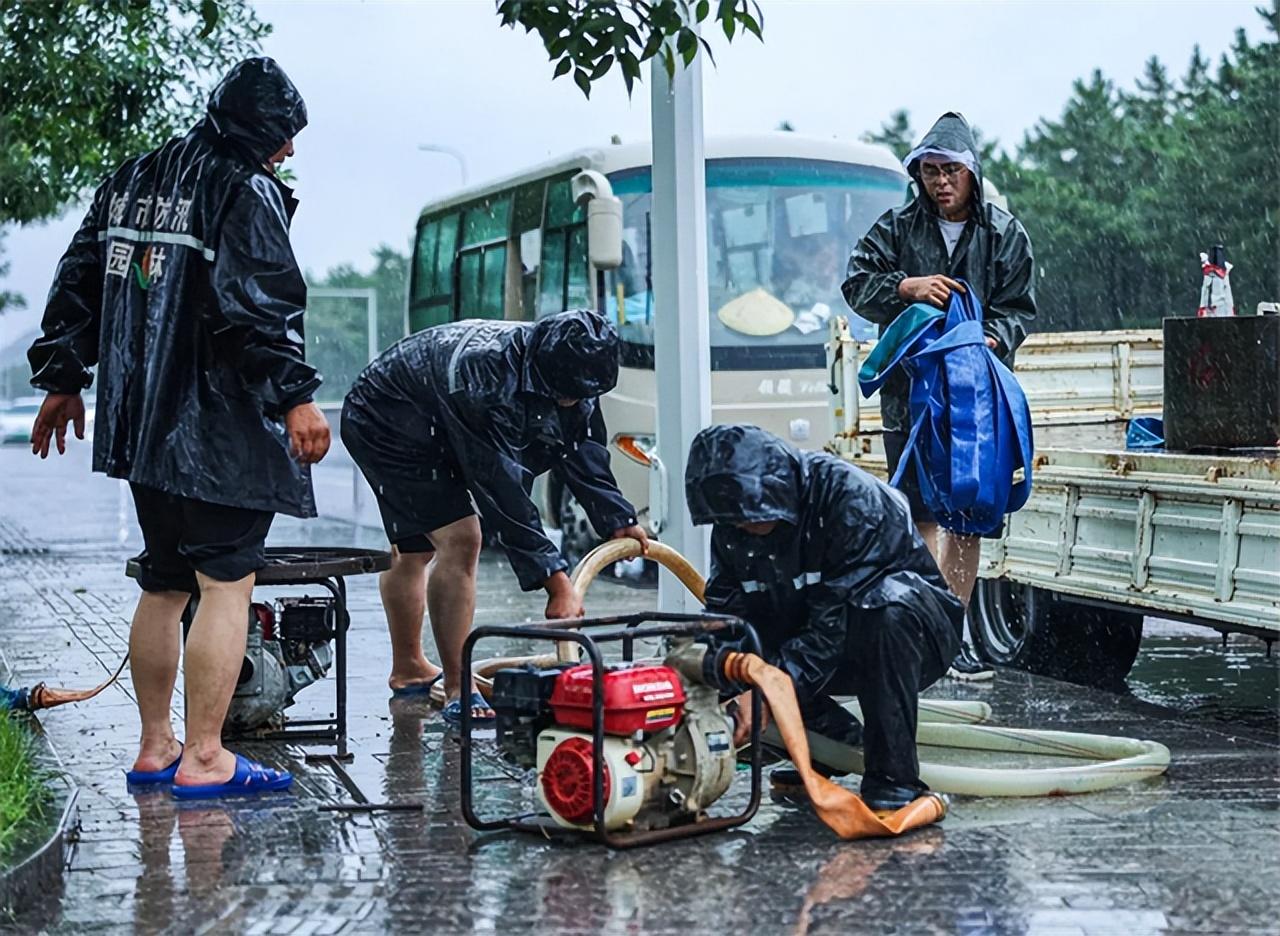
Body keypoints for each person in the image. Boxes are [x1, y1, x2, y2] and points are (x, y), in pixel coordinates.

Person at [26, 58, 330, 798]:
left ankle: (155, 746)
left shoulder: (133, 176)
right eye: (283, 135)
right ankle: (205, 758)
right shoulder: (242, 187)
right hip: (220, 429)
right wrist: (294, 395)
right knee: (225, 583)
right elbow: (257, 307)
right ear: (256, 127)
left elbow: (78, 277)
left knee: (163, 584)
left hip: (144, 427)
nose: (288, 151)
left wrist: (64, 378)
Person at [340, 310, 647, 724]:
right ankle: (457, 687)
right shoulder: (484, 375)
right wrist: (556, 583)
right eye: (569, 394)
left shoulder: (576, 368)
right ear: (544, 368)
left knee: (413, 550)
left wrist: (617, 518)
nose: (575, 402)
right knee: (461, 539)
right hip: (387, 419)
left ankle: (409, 667)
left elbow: (582, 449)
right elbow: (503, 491)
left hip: (432, 412)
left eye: (584, 394)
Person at [842, 112, 1037, 680]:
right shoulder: (896, 229)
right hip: (912, 402)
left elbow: (1019, 309)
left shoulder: (1005, 234)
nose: (940, 182)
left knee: (970, 515)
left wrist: (990, 337)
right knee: (922, 513)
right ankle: (922, 631)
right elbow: (857, 282)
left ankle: (951, 636)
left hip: (976, 403)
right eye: (929, 171)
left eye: (950, 170)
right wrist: (907, 286)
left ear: (971, 172)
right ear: (918, 175)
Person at [686, 424, 964, 811]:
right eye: (734, 522)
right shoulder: (736, 525)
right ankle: (831, 744)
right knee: (735, 648)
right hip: (827, 633)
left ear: (778, 486)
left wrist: (766, 696)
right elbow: (726, 612)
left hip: (911, 636)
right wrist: (711, 671)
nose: (743, 529)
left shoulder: (850, 499)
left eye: (750, 518)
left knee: (884, 609)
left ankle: (893, 778)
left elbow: (830, 627)